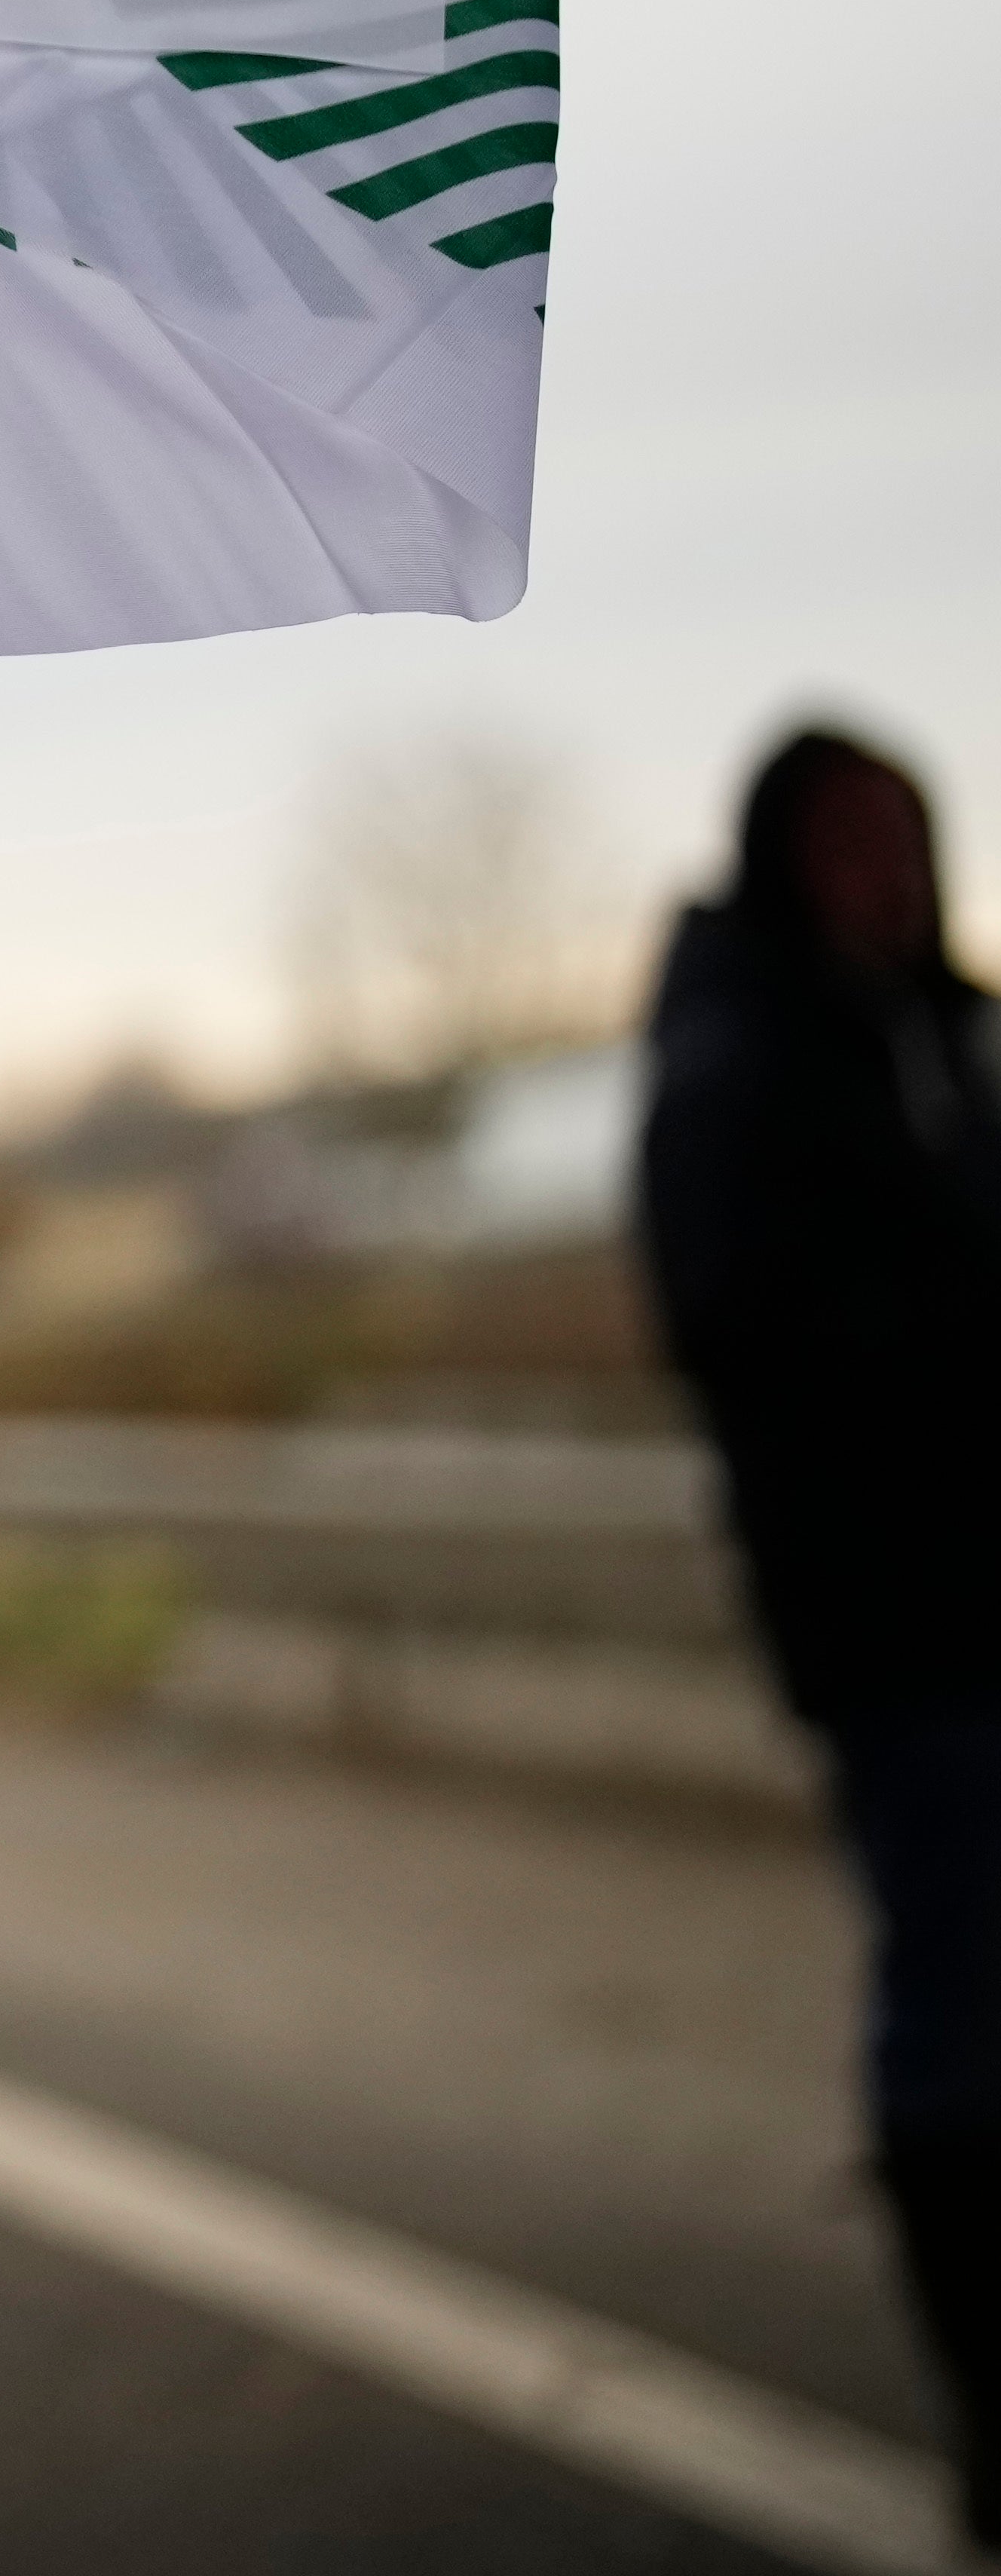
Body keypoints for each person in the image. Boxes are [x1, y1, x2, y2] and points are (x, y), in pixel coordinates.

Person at [639, 724, 1001, 2546]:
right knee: (960, 1997)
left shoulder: (944, 1031)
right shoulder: (739, 1065)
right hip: (899, 1614)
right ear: (789, 855)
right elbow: (733, 1330)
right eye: (860, 840)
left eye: (913, 834)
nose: (896, 871)